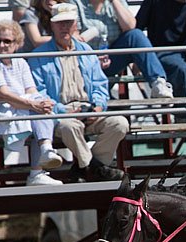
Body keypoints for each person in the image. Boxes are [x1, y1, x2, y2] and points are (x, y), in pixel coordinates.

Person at [28, 2, 129, 182]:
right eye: (59, 23)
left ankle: (83, 167)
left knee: (120, 123)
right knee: (69, 126)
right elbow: (39, 93)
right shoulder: (39, 55)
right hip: (61, 114)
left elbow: (100, 84)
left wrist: (97, 107)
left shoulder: (87, 51)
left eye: (68, 22)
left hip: (88, 110)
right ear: (51, 25)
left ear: (76, 24)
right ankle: (98, 169)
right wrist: (64, 111)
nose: (64, 27)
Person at [0, 20, 64, 186]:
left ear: (17, 44)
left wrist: (42, 102)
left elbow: (31, 91)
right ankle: (40, 165)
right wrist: (34, 104)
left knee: (42, 108)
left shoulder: (21, 62)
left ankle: (44, 155)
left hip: (13, 111)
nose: (1, 45)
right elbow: (3, 94)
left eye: (7, 41)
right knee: (38, 111)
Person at [68, 0, 174, 98]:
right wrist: (93, 59)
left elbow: (131, 26)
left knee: (135, 35)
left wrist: (114, 1)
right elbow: (74, 37)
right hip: (86, 61)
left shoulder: (116, 2)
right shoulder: (76, 3)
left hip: (112, 57)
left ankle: (158, 82)